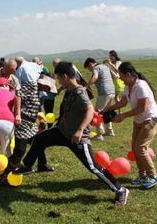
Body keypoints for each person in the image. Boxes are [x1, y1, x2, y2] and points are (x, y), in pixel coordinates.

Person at [15, 62, 129, 206]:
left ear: (65, 76)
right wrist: (60, 121)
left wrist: (80, 130)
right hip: (63, 131)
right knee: (39, 138)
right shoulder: (69, 90)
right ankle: (28, 166)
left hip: (77, 137)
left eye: (58, 78)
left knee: (93, 167)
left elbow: (89, 110)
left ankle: (120, 190)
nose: (58, 80)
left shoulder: (80, 92)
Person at [103, 62, 157, 189]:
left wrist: (123, 116)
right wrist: (107, 109)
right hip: (139, 120)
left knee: (140, 148)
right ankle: (143, 176)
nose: (120, 79)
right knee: (135, 149)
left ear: (128, 75)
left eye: (121, 76)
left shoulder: (141, 86)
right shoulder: (128, 86)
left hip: (150, 120)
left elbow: (142, 108)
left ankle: (153, 176)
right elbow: (123, 102)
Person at [84, 57, 116, 141]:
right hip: (112, 91)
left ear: (91, 64)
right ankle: (109, 131)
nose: (90, 70)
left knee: (97, 113)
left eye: (88, 68)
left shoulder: (96, 68)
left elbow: (95, 77)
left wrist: (86, 87)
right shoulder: (105, 66)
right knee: (107, 112)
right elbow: (114, 76)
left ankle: (99, 134)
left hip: (104, 93)